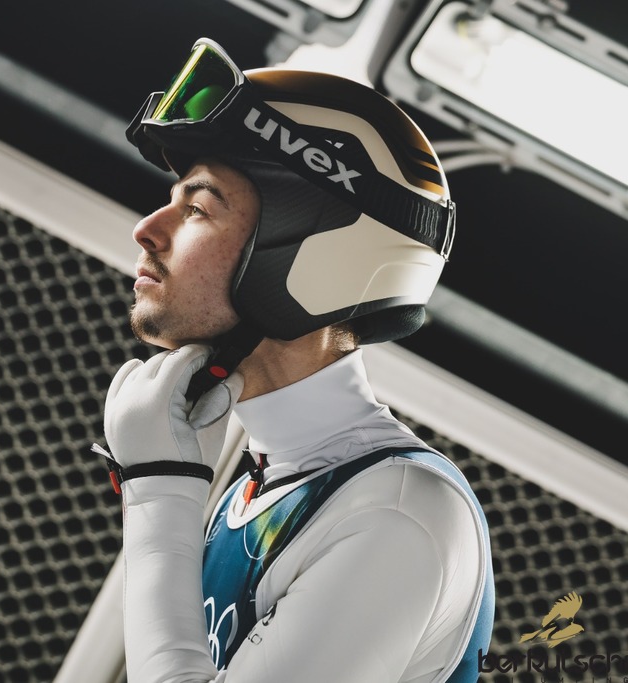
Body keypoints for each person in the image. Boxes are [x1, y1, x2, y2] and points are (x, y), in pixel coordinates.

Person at [97, 38, 494, 683]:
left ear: (312, 253)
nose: (147, 228)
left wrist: (158, 491)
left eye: (197, 207)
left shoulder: (396, 513)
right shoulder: (266, 486)